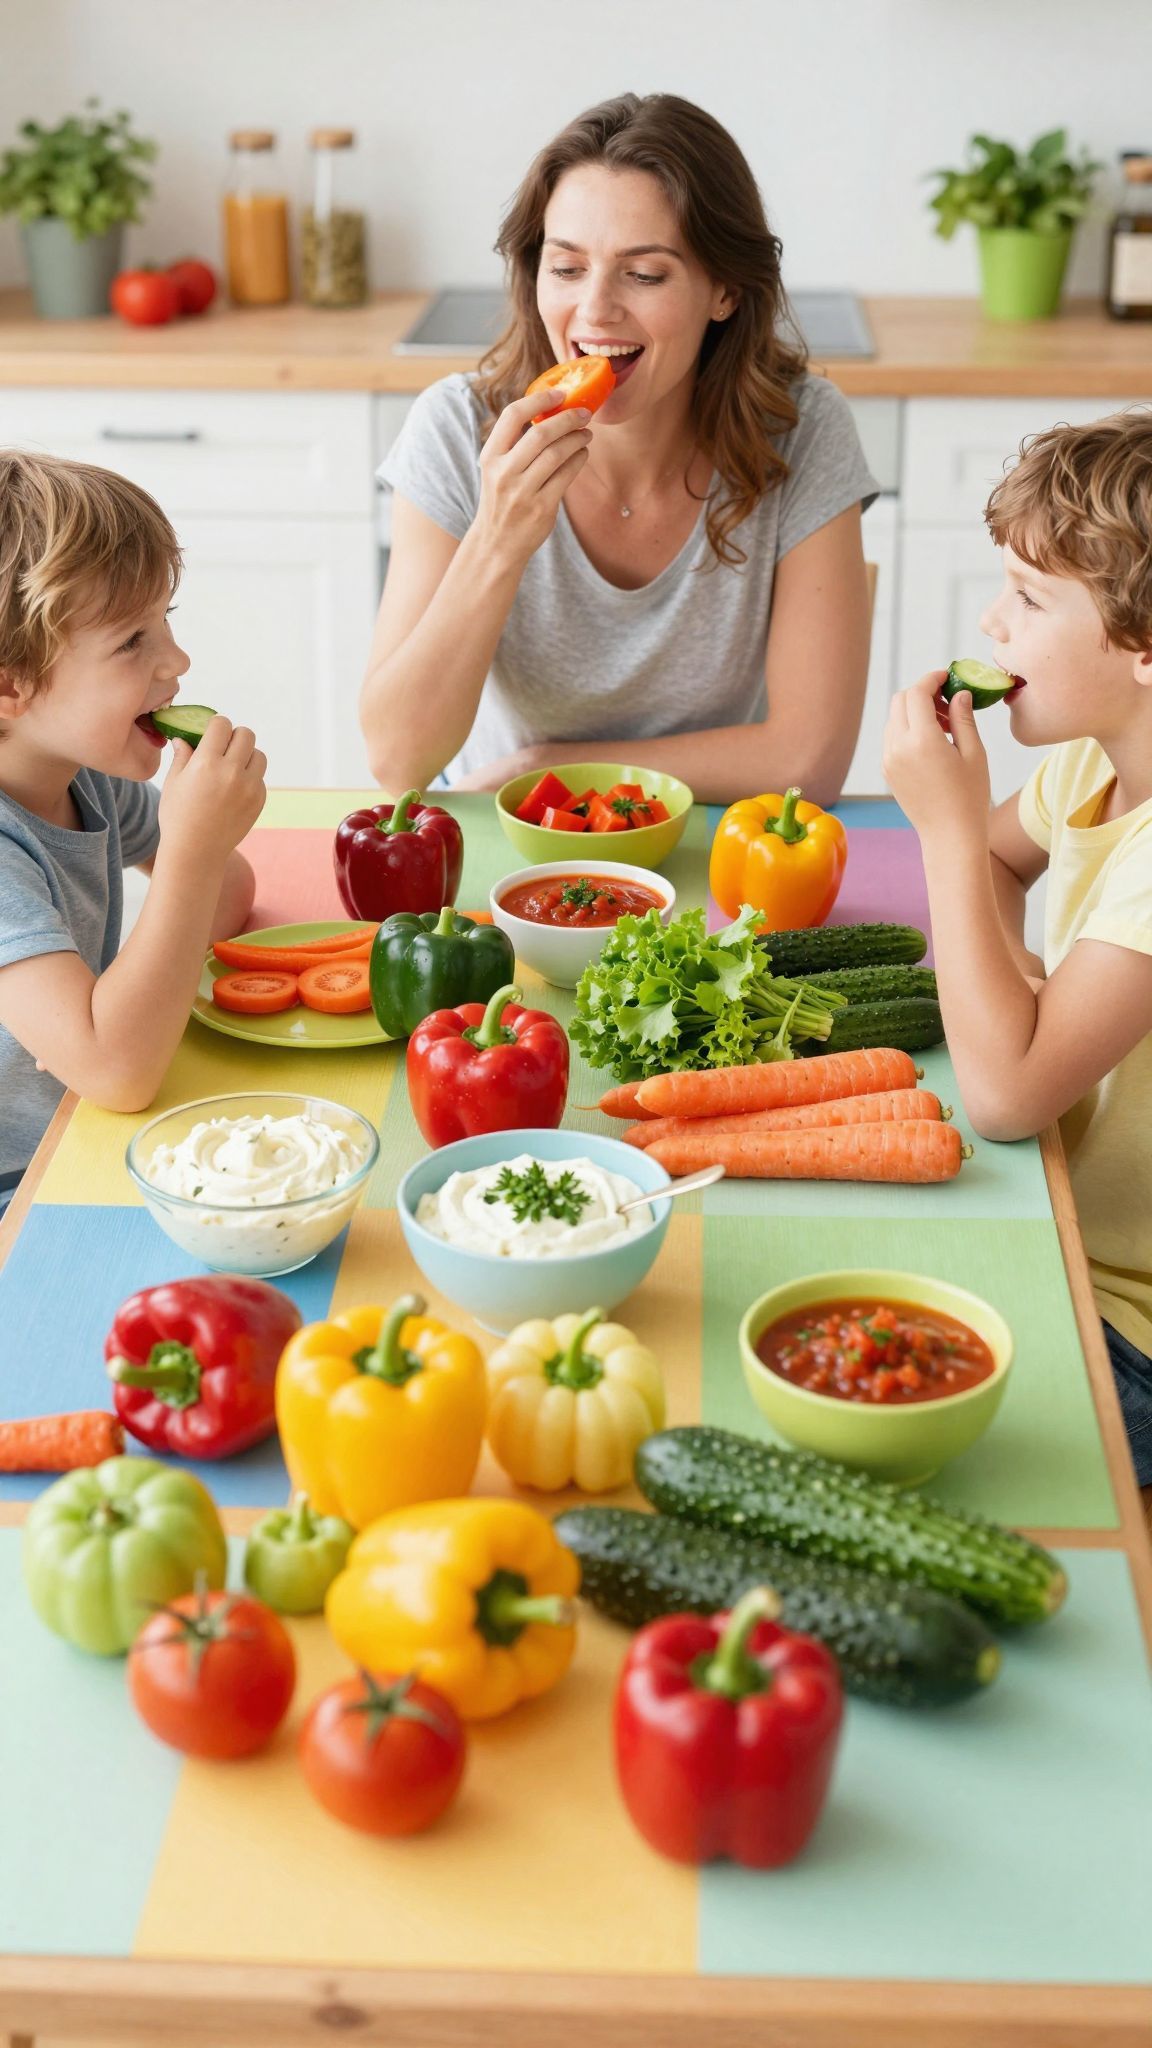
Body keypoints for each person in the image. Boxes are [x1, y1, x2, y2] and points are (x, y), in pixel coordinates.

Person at [362, 92, 877, 804]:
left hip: (711, 843)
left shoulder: (802, 429)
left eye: (644, 274)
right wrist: (499, 538)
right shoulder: (455, 430)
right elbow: (396, 760)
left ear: (725, 289)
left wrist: (544, 768)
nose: (595, 311)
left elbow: (808, 758)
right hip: (501, 832)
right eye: (567, 268)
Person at [883, 412, 1152, 1504]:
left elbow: (1002, 1099)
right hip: (1055, 1220)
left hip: (1127, 1321)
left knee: (931, 1480)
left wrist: (940, 827)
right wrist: (1031, 993)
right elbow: (1001, 865)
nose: (992, 622)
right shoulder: (1094, 763)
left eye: (1031, 600)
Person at [0, 452, 266, 1216]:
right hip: (21, 1192)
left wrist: (203, 842)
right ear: (9, 683)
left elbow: (229, 901)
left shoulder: (89, 776)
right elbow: (116, 1072)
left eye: (165, 624)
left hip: (78, 1138)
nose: (176, 662)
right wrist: (187, 851)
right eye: (130, 644)